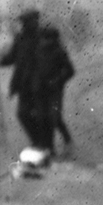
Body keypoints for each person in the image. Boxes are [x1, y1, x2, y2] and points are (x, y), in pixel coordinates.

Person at [0, 9, 51, 153]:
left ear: (34, 22)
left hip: (41, 84)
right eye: (24, 23)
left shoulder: (43, 37)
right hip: (24, 84)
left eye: (27, 22)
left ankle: (45, 145)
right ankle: (38, 141)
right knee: (23, 114)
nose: (24, 25)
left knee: (43, 115)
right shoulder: (20, 38)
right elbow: (12, 57)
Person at [34, 24, 75, 158]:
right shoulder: (38, 50)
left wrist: (57, 81)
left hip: (54, 90)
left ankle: (67, 139)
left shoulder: (59, 51)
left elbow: (70, 70)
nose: (44, 41)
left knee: (54, 117)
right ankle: (49, 148)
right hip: (40, 89)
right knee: (42, 118)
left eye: (47, 38)